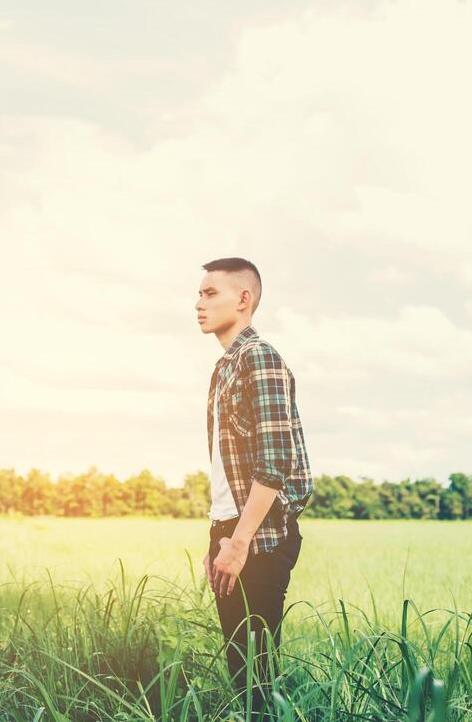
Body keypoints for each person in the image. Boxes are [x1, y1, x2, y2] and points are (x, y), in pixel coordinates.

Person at [196, 257, 313, 719]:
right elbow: (229, 468)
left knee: (257, 672)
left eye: (210, 294)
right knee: (240, 668)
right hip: (231, 529)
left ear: (244, 299)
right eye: (199, 294)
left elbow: (275, 463)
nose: (198, 303)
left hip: (261, 537)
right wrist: (218, 534)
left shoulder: (259, 358)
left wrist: (240, 540)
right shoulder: (224, 368)